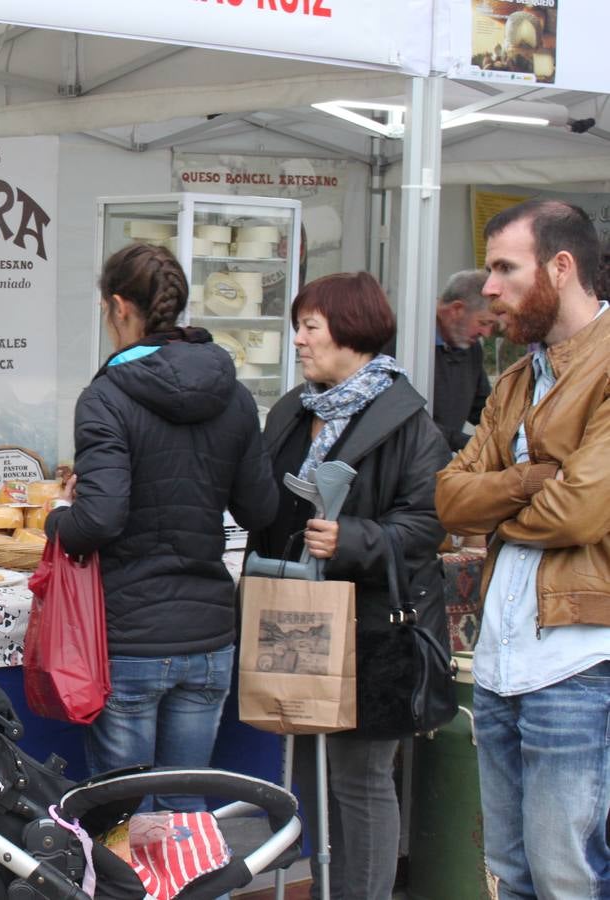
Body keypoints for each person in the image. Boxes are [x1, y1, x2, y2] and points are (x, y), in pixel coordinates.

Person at [45, 242, 277, 811]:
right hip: (208, 636)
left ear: (120, 307)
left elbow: (99, 519)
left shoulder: (106, 397)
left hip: (133, 638)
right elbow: (263, 512)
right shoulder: (236, 395)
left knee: (125, 822)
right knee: (186, 813)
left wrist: (57, 518)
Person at [244, 271, 449, 900]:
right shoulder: (293, 409)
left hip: (375, 629)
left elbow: (431, 517)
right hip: (297, 614)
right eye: (298, 327)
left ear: (352, 331)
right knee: (310, 769)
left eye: (310, 327)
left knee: (361, 777)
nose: (299, 341)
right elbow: (262, 500)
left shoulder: (407, 420)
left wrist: (355, 537)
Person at [435, 199, 610, 899]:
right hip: (506, 665)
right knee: (511, 877)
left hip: (579, 664)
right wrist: (535, 477)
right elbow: (448, 499)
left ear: (561, 268)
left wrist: (498, 504)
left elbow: (580, 512)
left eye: (506, 269)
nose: (490, 290)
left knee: (570, 879)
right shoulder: (514, 377)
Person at [432, 269, 497, 451]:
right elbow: (411, 422)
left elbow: (482, 407)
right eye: (483, 323)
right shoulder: (407, 344)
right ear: (457, 310)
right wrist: (469, 444)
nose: (486, 333)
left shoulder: (469, 347)